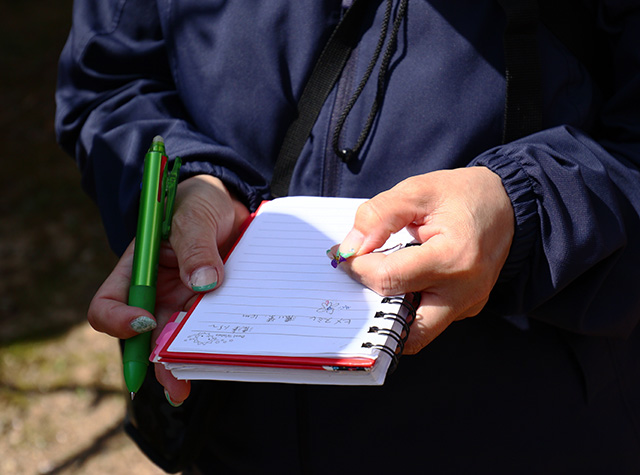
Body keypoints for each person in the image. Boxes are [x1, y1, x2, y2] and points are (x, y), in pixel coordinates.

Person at [56, 0, 640, 473]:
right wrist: (187, 187)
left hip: (531, 427)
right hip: (238, 428)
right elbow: (109, 82)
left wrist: (524, 208)